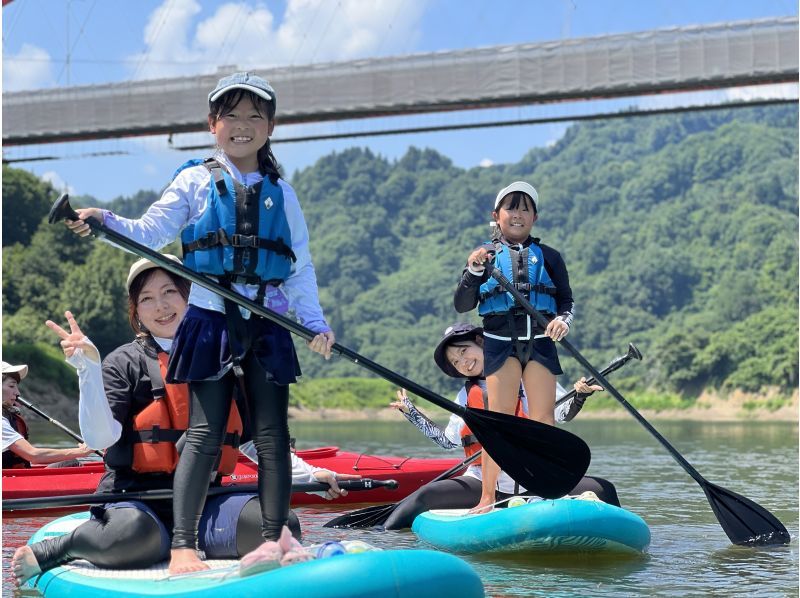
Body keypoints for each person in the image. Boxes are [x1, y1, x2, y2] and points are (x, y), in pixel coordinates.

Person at [62, 72, 335, 574]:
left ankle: (276, 541)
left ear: (270, 127)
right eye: (231, 116)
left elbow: (299, 266)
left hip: (269, 319)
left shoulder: (283, 193)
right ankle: (184, 545)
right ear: (213, 125)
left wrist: (315, 322)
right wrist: (106, 221)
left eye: (256, 116)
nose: (243, 126)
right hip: (210, 317)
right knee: (205, 432)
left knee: (274, 436)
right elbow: (149, 230)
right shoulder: (194, 180)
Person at [11, 256, 356, 585]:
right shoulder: (123, 363)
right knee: (136, 537)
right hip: (135, 500)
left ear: (192, 297)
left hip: (208, 501)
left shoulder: (226, 361)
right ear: (136, 311)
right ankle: (59, 548)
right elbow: (100, 439)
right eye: (147, 298)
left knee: (282, 526)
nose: (160, 307)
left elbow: (253, 440)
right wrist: (88, 369)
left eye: (170, 293)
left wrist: (311, 475)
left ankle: (192, 542)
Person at [382, 323, 619, 530]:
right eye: (455, 361)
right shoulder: (465, 396)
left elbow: (562, 414)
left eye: (464, 351)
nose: (463, 362)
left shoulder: (531, 379)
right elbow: (447, 441)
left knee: (604, 489)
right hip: (482, 485)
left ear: (481, 342)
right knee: (423, 496)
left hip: (534, 483)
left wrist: (578, 396)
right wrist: (411, 413)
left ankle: (622, 536)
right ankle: (384, 535)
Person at [454, 181, 573, 513]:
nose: (518, 214)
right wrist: (474, 271)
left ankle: (544, 491)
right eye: (511, 207)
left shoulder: (550, 257)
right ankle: (487, 498)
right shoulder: (484, 255)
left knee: (542, 420)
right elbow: (462, 303)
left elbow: (567, 302)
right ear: (496, 216)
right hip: (499, 345)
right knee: (498, 424)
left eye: (525, 208)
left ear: (534, 217)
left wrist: (563, 321)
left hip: (540, 343)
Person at [2, 361, 92, 469]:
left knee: (70, 463)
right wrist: (82, 451)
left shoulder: (7, 417)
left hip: (15, 480)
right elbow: (33, 455)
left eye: (16, 386)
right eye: (11, 386)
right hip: (13, 483)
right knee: (72, 464)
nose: (18, 393)